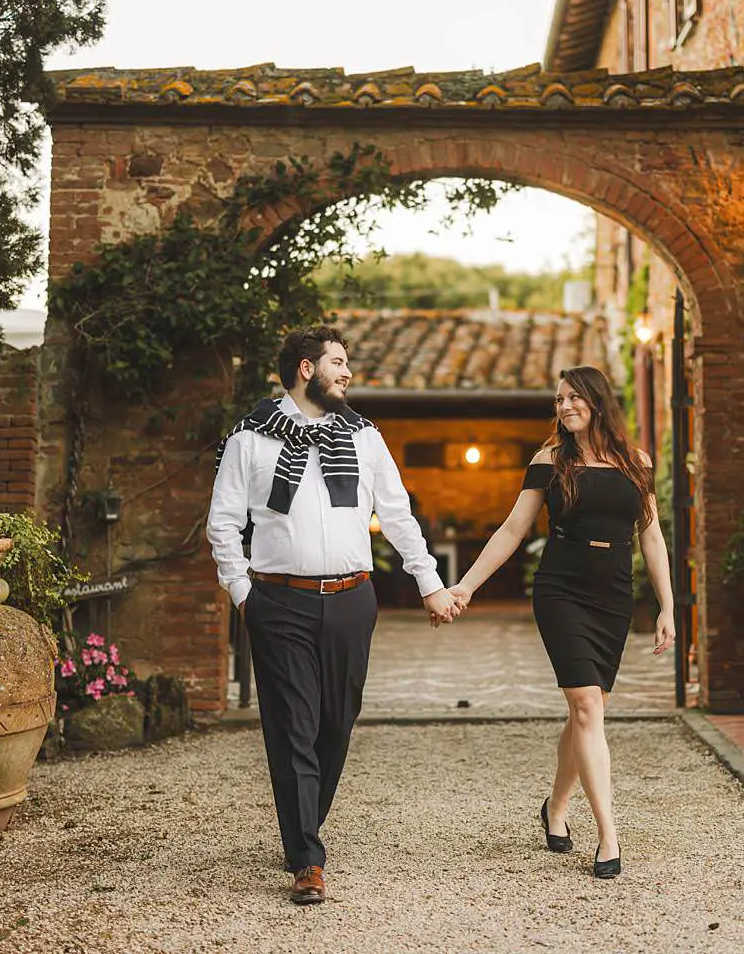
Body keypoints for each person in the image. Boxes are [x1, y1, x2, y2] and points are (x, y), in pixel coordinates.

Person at [207, 325, 460, 905]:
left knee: (336, 724)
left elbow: (397, 515)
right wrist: (243, 593)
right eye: (338, 362)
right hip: (279, 601)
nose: (347, 373)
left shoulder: (364, 437)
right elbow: (223, 523)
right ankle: (306, 858)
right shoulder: (250, 439)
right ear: (306, 368)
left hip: (352, 600)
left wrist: (429, 583)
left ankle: (302, 823)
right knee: (292, 726)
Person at [448, 365, 674, 879]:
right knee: (587, 706)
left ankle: (554, 807)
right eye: (559, 399)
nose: (565, 406)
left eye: (574, 397)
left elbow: (651, 536)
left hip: (613, 595)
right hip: (561, 591)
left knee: (585, 714)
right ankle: (609, 837)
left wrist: (667, 606)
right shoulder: (549, 460)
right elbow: (512, 529)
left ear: (597, 401)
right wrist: (467, 585)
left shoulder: (636, 462)